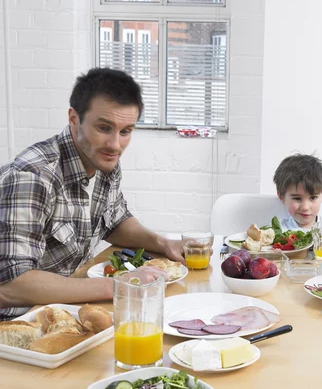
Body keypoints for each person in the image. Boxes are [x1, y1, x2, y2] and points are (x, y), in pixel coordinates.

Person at [0, 68, 184, 321]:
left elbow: (115, 222)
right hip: (17, 323)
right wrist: (119, 285)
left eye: (125, 131)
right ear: (74, 119)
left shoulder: (102, 159)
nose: (115, 145)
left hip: (64, 309)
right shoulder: (32, 177)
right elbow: (12, 286)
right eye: (104, 128)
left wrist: (165, 244)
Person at [273, 154, 322, 231]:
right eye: (297, 198)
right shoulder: (276, 231)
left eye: (313, 197)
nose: (305, 207)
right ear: (282, 196)